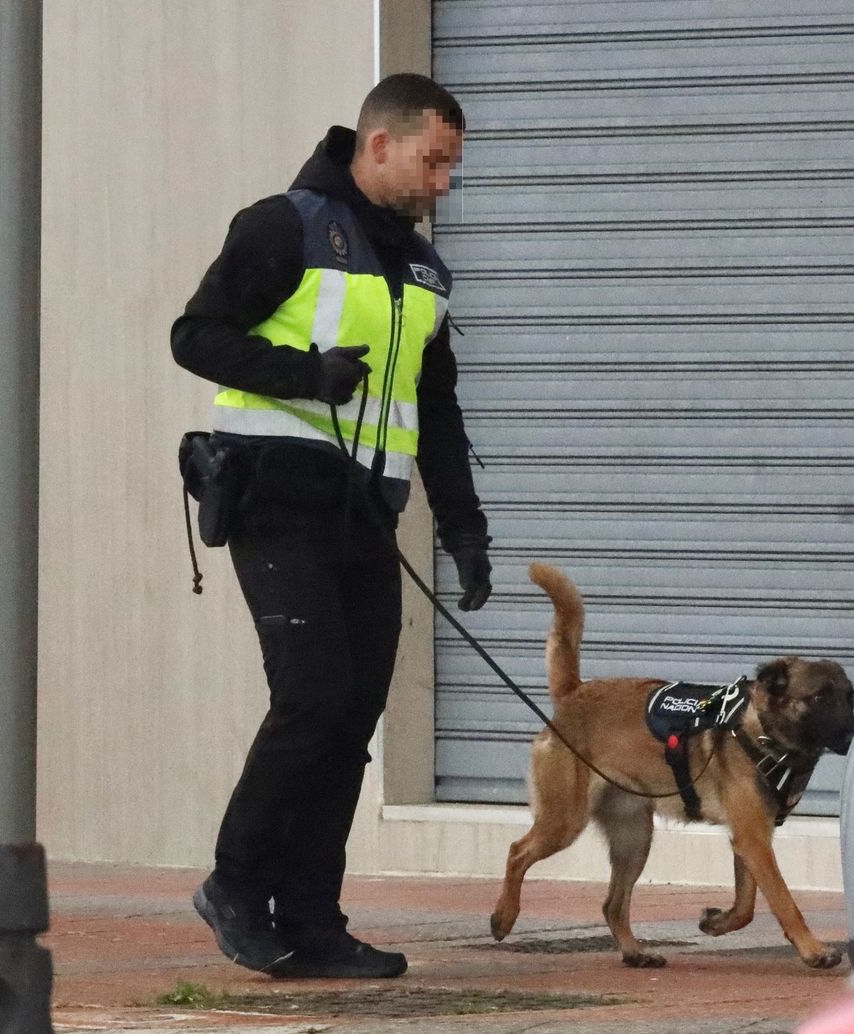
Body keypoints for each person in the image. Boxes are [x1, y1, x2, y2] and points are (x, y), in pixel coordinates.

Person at [170, 73, 491, 979]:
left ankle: (312, 918)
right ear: (377, 144)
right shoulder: (282, 226)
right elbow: (195, 336)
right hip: (276, 500)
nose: (444, 182)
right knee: (310, 698)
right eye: (434, 160)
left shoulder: (425, 270)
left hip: (364, 516)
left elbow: (439, 410)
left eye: (452, 166)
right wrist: (304, 372)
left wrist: (466, 532)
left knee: (350, 717)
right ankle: (235, 885)